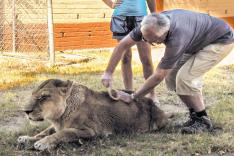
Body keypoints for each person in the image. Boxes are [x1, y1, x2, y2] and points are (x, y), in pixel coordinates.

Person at [101, 9, 234, 134]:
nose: (147, 42)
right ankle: (195, 115)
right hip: (197, 39)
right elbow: (122, 45)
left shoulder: (177, 38)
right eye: (144, 39)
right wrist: (108, 72)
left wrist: (133, 97)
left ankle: (203, 120)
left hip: (220, 40)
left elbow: (158, 75)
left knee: (185, 78)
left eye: (152, 41)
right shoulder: (148, 25)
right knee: (171, 77)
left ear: (163, 35)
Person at [102, 0, 158, 103]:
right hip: (120, 18)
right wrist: (111, 4)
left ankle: (152, 95)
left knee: (146, 59)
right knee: (125, 58)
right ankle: (128, 92)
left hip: (141, 18)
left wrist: (154, 15)